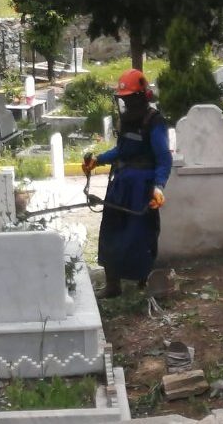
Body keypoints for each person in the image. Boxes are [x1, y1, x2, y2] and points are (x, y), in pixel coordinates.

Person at [82, 69, 173, 298]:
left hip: (142, 189)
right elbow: (121, 150)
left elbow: (164, 158)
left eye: (130, 98)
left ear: (142, 96)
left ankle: (144, 284)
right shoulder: (126, 121)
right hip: (121, 185)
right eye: (124, 99)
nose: (127, 103)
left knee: (140, 235)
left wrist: (159, 187)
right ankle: (113, 285)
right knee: (111, 231)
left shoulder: (154, 121)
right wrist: (98, 160)